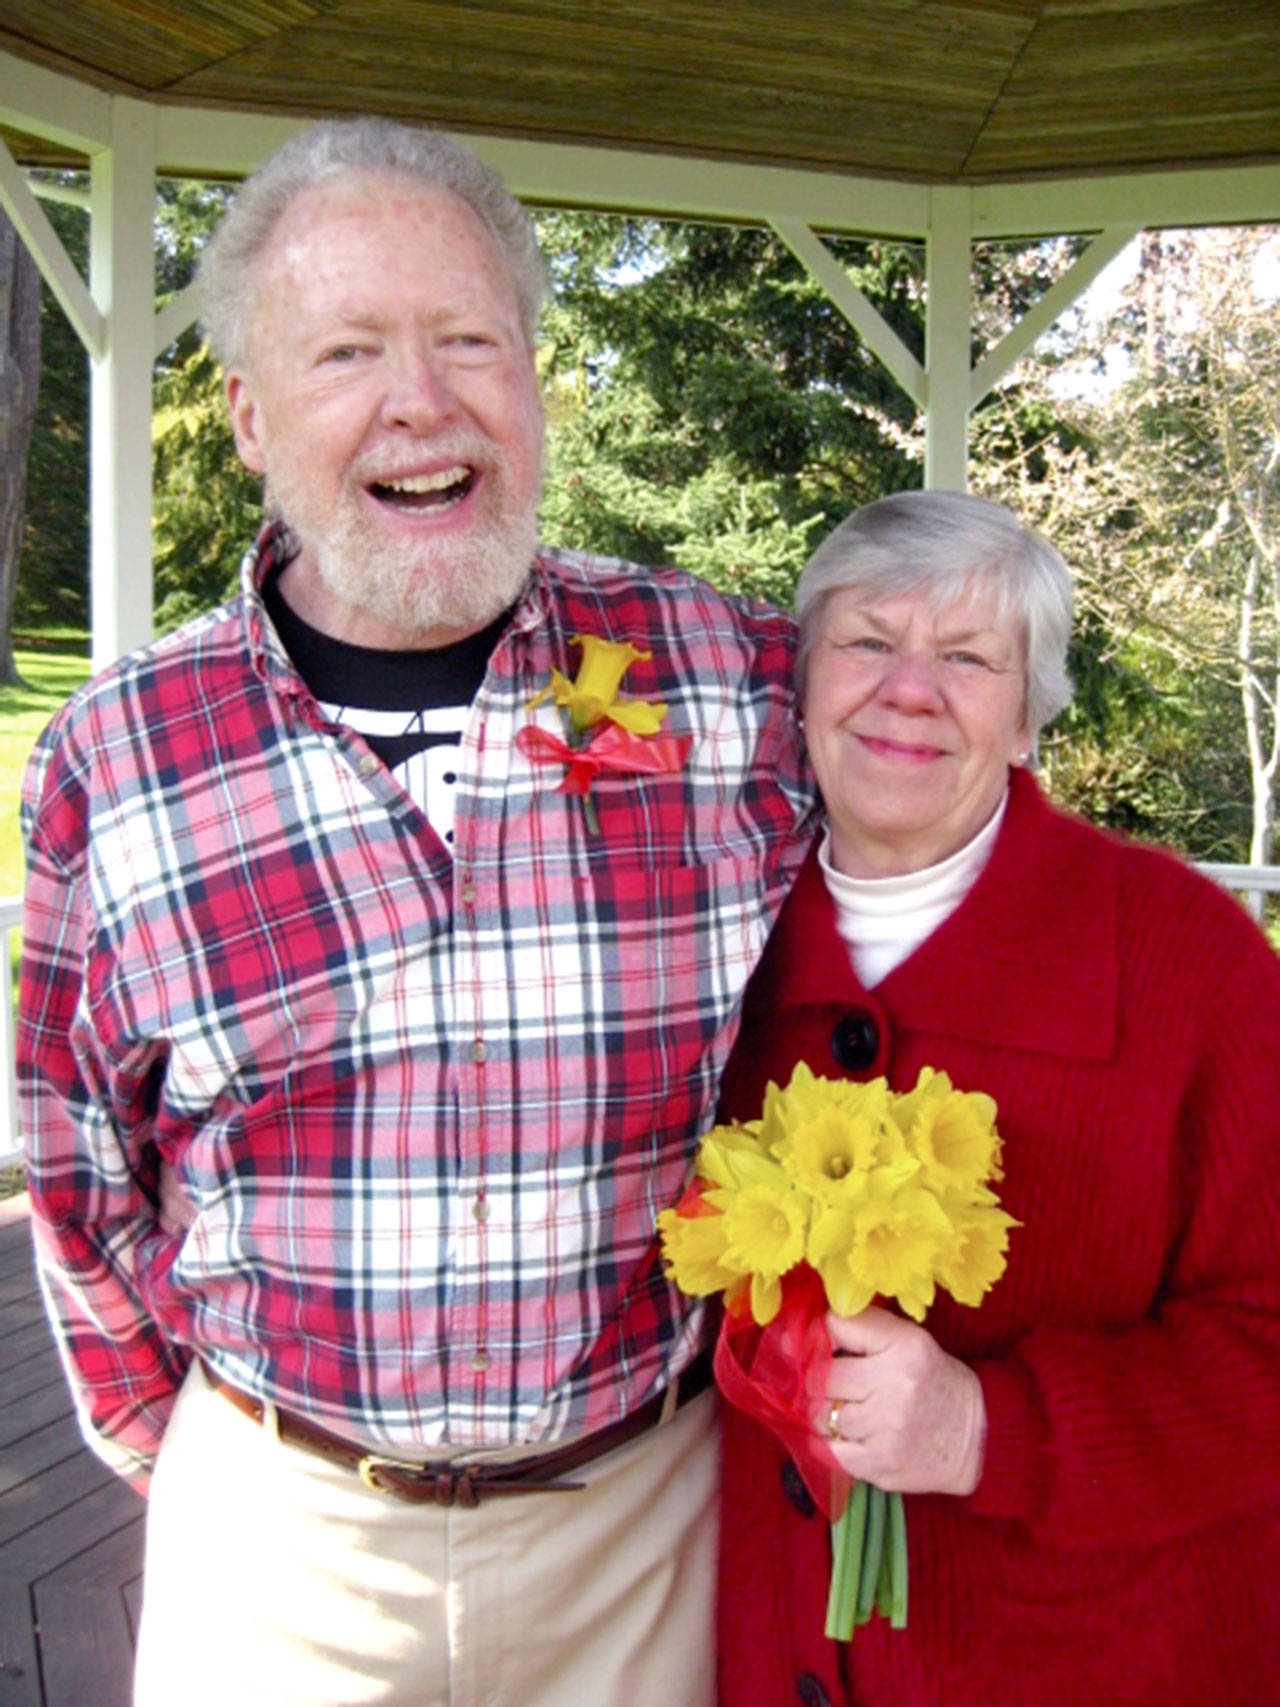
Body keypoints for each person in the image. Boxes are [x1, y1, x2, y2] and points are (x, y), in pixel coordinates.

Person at [17, 118, 815, 1707]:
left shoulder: (727, 679)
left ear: (536, 381)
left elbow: (941, 887)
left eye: (470, 341)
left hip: (646, 1529)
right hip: (284, 1541)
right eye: (347, 351)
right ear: (248, 416)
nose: (421, 400)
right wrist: (201, 1465)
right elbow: (71, 1161)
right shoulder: (121, 752)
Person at [715, 490, 1280, 1706]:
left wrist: (987, 1429)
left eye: (968, 658)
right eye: (867, 641)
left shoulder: (1185, 959)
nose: (908, 689)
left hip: (1095, 1661)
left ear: (1026, 716)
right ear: (801, 680)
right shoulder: (710, 938)